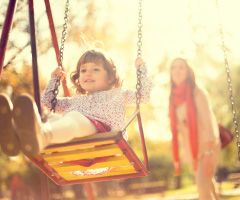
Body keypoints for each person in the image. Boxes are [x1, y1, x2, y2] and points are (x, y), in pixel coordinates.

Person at [0, 50, 151, 156]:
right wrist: (54, 80)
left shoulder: (119, 94)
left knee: (73, 118)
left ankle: (43, 135)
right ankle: (17, 136)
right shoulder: (75, 101)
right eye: (83, 70)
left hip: (104, 135)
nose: (88, 73)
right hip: (74, 134)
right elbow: (47, 102)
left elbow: (144, 96)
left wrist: (141, 70)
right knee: (51, 118)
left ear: (110, 77)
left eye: (95, 69)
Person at [168, 57, 221, 200]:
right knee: (207, 184)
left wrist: (209, 152)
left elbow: (209, 124)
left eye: (181, 67)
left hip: (208, 145)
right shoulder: (173, 99)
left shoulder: (197, 93)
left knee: (202, 186)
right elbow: (178, 131)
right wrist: (180, 155)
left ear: (188, 72)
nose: (177, 70)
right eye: (174, 67)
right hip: (193, 150)